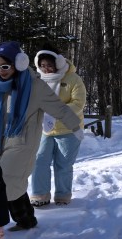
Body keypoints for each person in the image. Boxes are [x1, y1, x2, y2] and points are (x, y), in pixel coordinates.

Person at [0, 41, 84, 239]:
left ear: (18, 64)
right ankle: (26, 219)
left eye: (5, 66)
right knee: (9, 182)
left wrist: (76, 128)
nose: (1, 71)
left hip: (22, 142)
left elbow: (60, 109)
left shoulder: (35, 86)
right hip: (1, 139)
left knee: (6, 181)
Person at [30, 49, 86, 207]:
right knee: (39, 161)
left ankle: (63, 195)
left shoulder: (73, 79)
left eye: (49, 65)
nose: (46, 68)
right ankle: (40, 195)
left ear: (58, 63)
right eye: (42, 65)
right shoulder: (36, 80)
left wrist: (55, 112)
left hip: (68, 129)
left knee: (63, 164)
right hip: (43, 130)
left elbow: (78, 103)